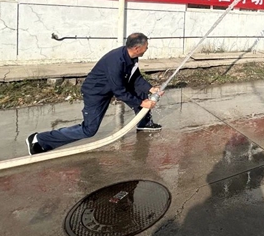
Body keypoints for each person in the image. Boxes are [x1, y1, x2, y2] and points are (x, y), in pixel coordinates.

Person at [26, 33, 162, 155]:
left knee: (139, 92)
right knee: (89, 130)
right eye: (146, 46)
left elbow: (135, 76)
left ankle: (144, 123)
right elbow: (119, 91)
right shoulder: (116, 61)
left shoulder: (131, 57)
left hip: (108, 88)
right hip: (95, 93)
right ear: (137, 48)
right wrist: (141, 103)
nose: (147, 48)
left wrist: (150, 89)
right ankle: (40, 139)